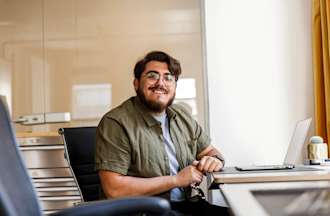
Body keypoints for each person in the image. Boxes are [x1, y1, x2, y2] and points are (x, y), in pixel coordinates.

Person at [95, 51, 229, 215]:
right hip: (144, 211)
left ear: (174, 86)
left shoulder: (181, 115)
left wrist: (214, 160)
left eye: (168, 77)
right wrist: (176, 180)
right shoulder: (116, 123)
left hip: (187, 205)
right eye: (152, 76)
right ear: (136, 83)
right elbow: (114, 189)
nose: (161, 83)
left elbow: (209, 151)